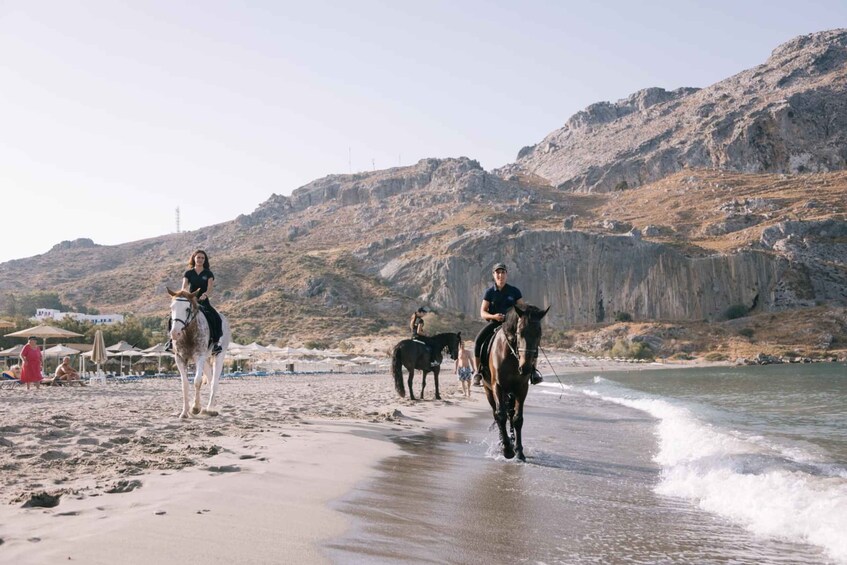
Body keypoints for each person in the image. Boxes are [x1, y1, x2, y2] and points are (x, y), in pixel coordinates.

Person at [472, 263, 543, 386]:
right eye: (498, 273)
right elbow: (483, 312)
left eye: (503, 272)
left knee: (531, 341)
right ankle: (478, 372)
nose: (500, 275)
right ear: (494, 275)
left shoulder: (514, 291)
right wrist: (494, 316)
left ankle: (533, 371)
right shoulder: (489, 292)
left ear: (506, 275)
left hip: (512, 326)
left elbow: (523, 310)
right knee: (478, 341)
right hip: (495, 324)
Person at [166, 249, 224, 355]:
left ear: (205, 260)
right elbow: (184, 287)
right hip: (190, 300)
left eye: (203, 258)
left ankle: (215, 343)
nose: (200, 259)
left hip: (203, 301)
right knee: (173, 317)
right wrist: (186, 296)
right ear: (194, 258)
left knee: (216, 317)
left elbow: (210, 288)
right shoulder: (188, 273)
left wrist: (205, 295)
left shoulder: (208, 273)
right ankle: (171, 341)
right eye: (198, 257)